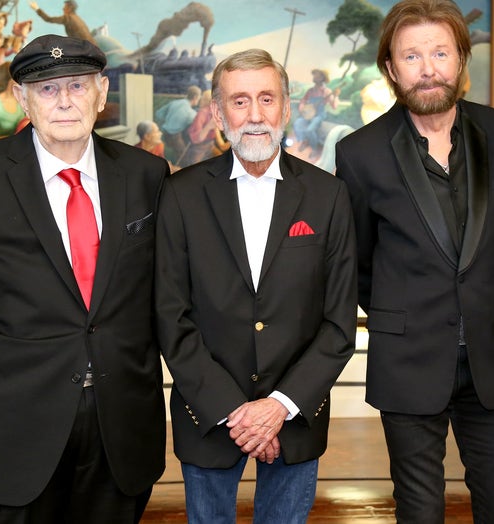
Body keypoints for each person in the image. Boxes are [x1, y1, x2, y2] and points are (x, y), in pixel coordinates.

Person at [0, 34, 168, 523]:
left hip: (118, 426)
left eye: (77, 85)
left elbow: (161, 292)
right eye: (47, 89)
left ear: (101, 93)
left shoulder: (149, 176)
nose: (64, 101)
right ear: (21, 98)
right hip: (9, 426)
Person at [334, 0, 494, 521]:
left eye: (441, 52)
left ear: (461, 59)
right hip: (408, 358)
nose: (428, 68)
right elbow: (358, 262)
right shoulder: (360, 152)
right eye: (412, 56)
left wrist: (476, 298)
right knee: (419, 511)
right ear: (391, 68)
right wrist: (405, 310)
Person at [155, 48, 357, 523]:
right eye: (240, 101)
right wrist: (235, 410)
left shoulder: (329, 197)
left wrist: (278, 407)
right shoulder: (180, 196)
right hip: (206, 415)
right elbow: (170, 315)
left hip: (297, 414)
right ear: (218, 114)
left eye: (267, 99)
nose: (255, 115)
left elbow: (338, 322)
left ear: (286, 108)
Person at [293, 69, 338, 160]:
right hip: (308, 114)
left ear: (322, 78)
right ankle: (304, 140)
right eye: (314, 75)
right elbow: (303, 101)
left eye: (317, 76)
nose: (314, 77)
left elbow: (334, 106)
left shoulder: (326, 91)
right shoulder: (310, 91)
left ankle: (314, 149)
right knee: (297, 123)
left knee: (310, 130)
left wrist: (336, 96)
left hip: (319, 115)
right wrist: (302, 109)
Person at [155, 85, 201, 164]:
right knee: (184, 157)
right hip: (174, 136)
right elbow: (196, 126)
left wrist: (169, 119)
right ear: (195, 97)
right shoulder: (191, 113)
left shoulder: (175, 102)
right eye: (199, 97)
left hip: (163, 133)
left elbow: (158, 114)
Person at [30, 0, 97, 44]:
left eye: (65, 6)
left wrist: (37, 9)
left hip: (84, 48)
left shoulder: (67, 18)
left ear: (70, 8)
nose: (63, 8)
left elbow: (48, 19)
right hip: (92, 47)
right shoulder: (78, 19)